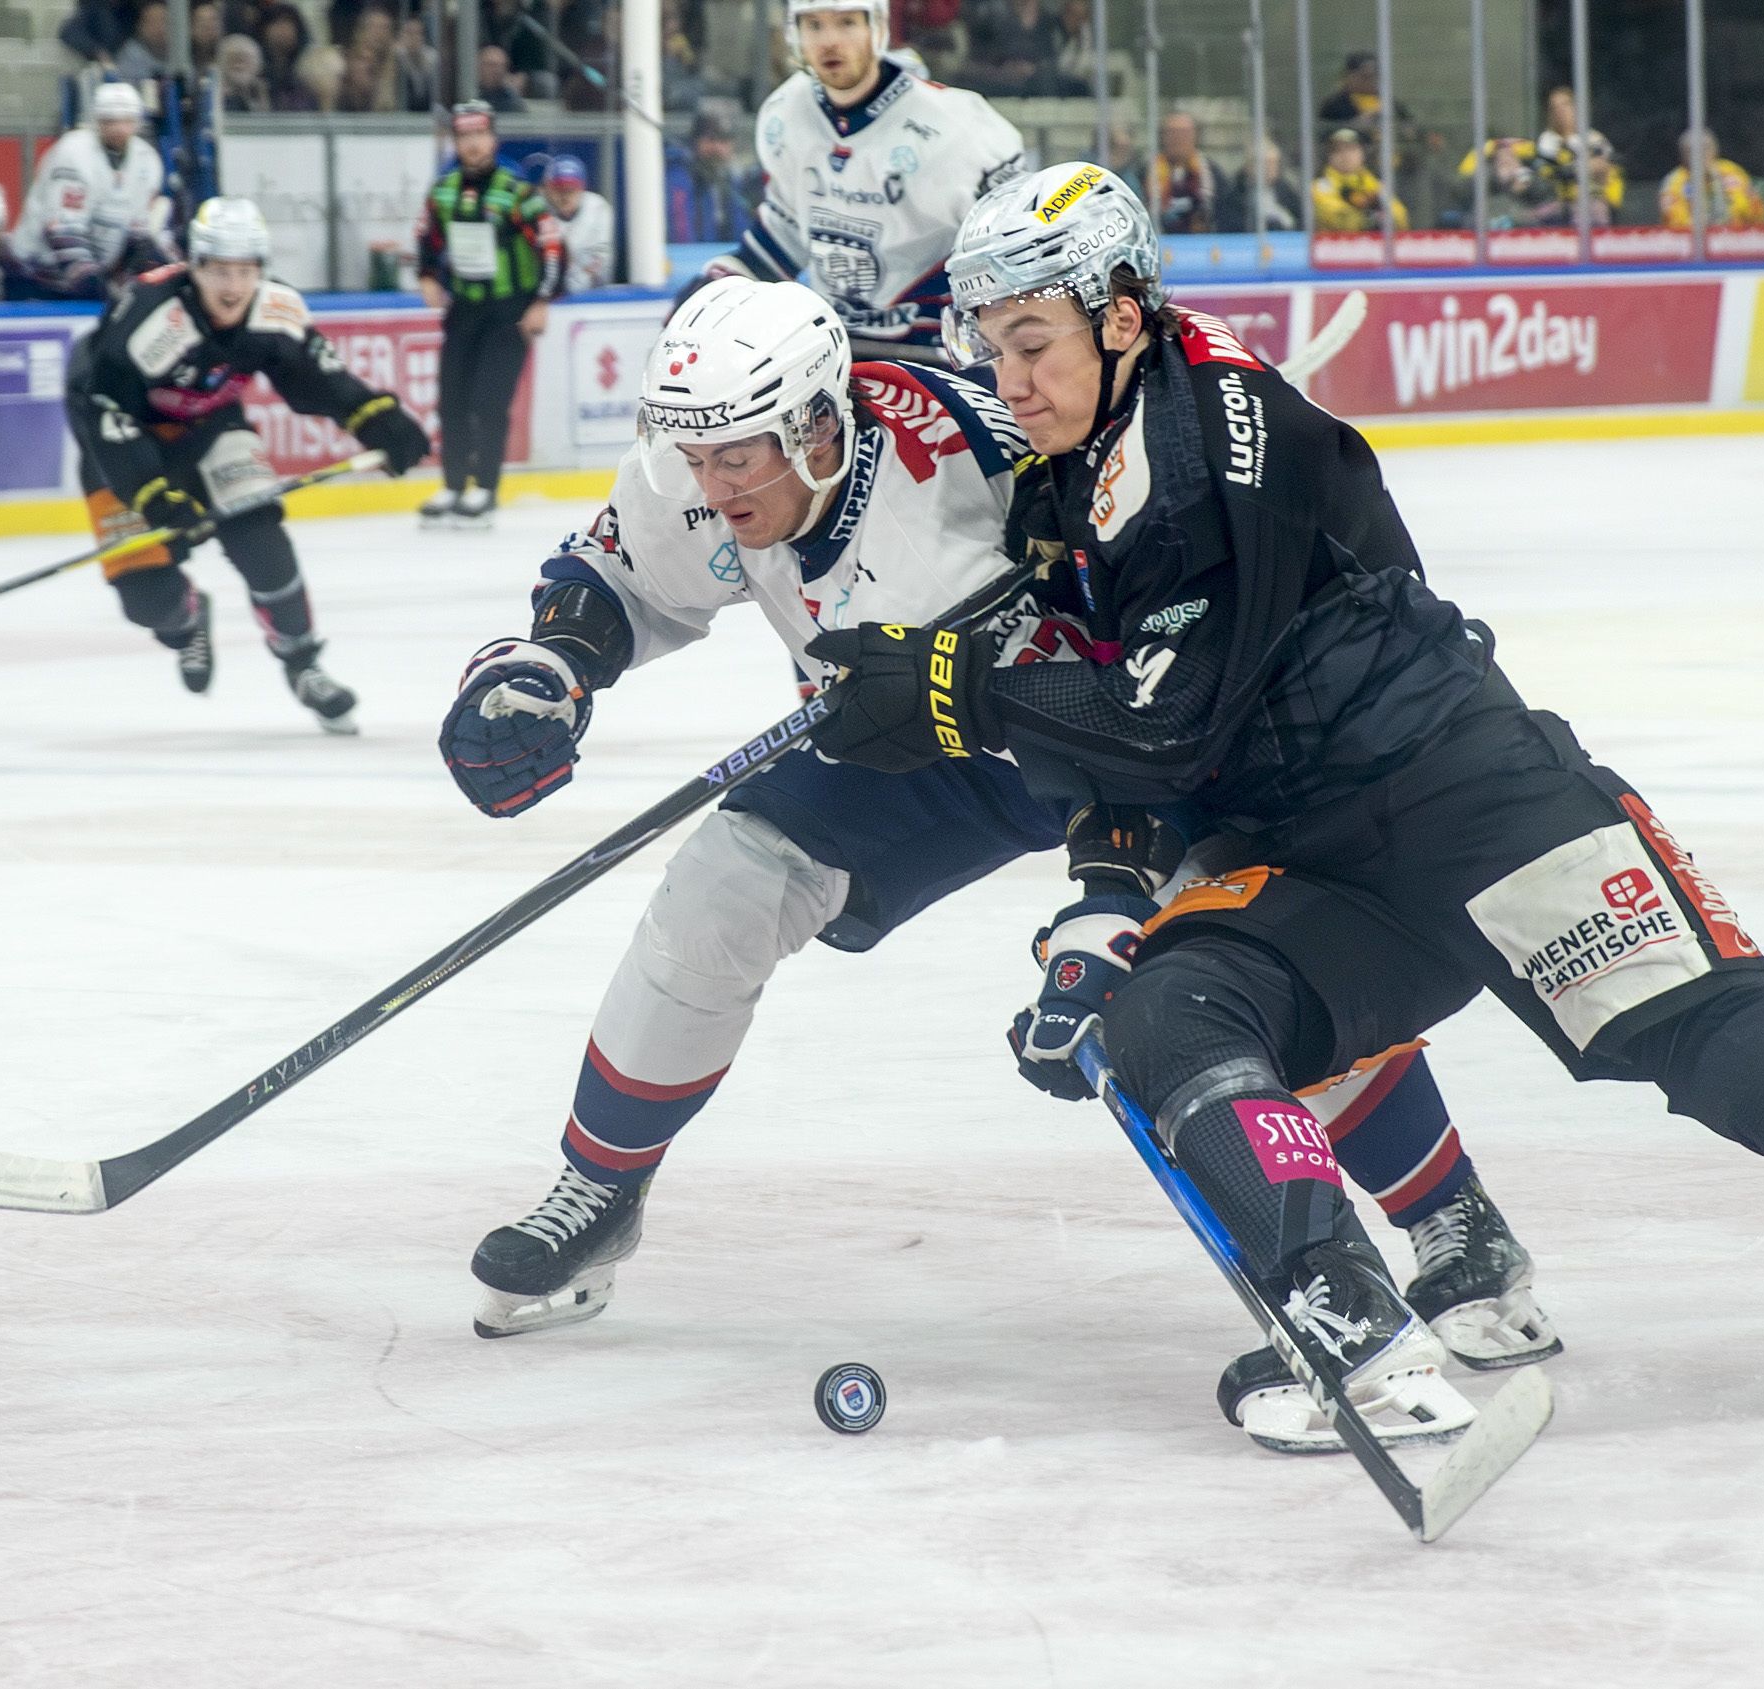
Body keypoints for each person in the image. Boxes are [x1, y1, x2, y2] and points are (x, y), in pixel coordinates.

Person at [801, 160, 1764, 1441]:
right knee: (1171, 1013)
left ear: (1120, 315)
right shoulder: (1081, 468)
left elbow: (1164, 722)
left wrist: (952, 693)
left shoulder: (1209, 449)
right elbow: (1132, 744)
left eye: (1030, 341)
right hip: (1323, 866)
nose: (1009, 376)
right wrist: (1101, 909)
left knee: (1726, 1043)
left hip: (1472, 796)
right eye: (991, 346)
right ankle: (1358, 1336)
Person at [443, 277, 1557, 1426]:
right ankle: (597, 1191)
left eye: (738, 460)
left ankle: (1452, 1218)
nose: (713, 487)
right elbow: (618, 578)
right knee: (720, 891)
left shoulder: (956, 503)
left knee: (1232, 951)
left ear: (817, 428)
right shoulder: (709, 461)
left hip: (1086, 718)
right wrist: (547, 669)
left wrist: (1105, 903)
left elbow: (1119, 721)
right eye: (697, 458)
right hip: (903, 726)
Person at [64, 198, 432, 731]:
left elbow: (318, 377)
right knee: (148, 599)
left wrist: (376, 419)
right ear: (194, 266)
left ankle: (303, 663)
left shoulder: (275, 309)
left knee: (260, 538)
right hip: (124, 444)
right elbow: (101, 411)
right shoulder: (150, 316)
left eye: (245, 271)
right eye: (219, 271)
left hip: (211, 428)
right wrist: (152, 494)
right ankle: (189, 619)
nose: (233, 287)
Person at [707, 0, 1024, 363]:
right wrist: (721, 285)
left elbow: (1010, 247)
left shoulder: (956, 124)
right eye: (814, 26)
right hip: (834, 350)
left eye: (846, 23)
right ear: (796, 34)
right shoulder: (786, 113)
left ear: (878, 28)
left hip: (937, 354)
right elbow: (786, 235)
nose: (829, 41)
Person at [415, 100, 561, 528]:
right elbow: (427, 237)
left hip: (509, 312)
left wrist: (541, 300)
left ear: (493, 139)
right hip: (463, 309)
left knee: (489, 401)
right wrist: (427, 275)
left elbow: (551, 246)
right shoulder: (443, 191)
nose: (473, 144)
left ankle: (485, 488)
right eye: (465, 136)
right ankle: (453, 484)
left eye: (480, 135)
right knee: (451, 399)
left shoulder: (516, 192)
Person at [11, 80, 168, 299]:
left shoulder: (147, 160)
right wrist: (88, 277)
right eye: (110, 121)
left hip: (92, 275)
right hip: (36, 275)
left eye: (126, 120)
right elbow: (62, 229)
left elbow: (137, 232)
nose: (119, 129)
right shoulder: (73, 152)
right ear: (97, 120)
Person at [1533, 85, 1621, 226]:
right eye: (1554, 107)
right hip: (1558, 203)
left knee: (1596, 210)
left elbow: (1603, 168)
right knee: (1538, 214)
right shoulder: (1545, 142)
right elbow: (1545, 174)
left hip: (1594, 200)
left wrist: (1577, 169)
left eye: (1565, 105)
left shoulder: (1593, 138)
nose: (1560, 112)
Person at [663, 109, 752, 244]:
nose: (717, 148)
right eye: (711, 140)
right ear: (695, 141)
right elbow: (681, 232)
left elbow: (742, 228)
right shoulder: (678, 175)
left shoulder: (732, 180)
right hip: (690, 255)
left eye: (724, 141)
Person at [1658, 127, 1764, 230]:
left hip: (1735, 238)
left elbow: (1754, 212)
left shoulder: (1730, 172)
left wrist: (1725, 221)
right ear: (1683, 155)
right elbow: (1674, 221)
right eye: (1692, 150)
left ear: (1715, 150)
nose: (1700, 154)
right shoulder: (1675, 181)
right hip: (1692, 240)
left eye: (1705, 148)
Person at [541, 154, 615, 293]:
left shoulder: (597, 208)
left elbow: (602, 258)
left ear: (582, 188)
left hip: (593, 293)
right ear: (548, 189)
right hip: (548, 294)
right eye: (559, 189)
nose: (565, 196)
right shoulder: (538, 210)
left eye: (571, 189)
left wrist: (580, 281)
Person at [1311, 126, 1406, 233]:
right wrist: (1372, 219)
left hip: (1374, 242)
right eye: (1337, 150)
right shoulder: (1320, 186)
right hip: (1336, 243)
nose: (1345, 156)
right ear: (1328, 156)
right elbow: (1335, 218)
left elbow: (1400, 216)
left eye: (1352, 149)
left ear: (1363, 153)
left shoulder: (1375, 185)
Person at [1145, 110, 1220, 235]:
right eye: (1172, 133)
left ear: (1196, 137)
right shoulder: (1145, 172)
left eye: (1184, 133)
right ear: (1162, 137)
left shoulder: (1212, 173)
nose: (1178, 139)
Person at [1223, 134, 1301, 233]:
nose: (1272, 169)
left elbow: (1302, 218)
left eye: (1275, 163)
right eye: (1267, 164)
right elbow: (1235, 225)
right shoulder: (1236, 193)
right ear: (1250, 166)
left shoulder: (1284, 188)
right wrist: (1274, 224)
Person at [1316, 50, 1408, 134]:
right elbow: (1325, 134)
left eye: (1375, 76)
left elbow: (1410, 128)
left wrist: (1401, 129)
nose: (1371, 81)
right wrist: (1355, 125)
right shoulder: (1334, 104)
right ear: (1349, 76)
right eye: (1365, 76)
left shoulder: (1388, 102)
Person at [115, 0, 175, 80]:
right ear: (140, 27)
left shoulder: (182, 53)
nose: (159, 28)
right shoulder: (131, 55)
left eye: (163, 21)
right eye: (152, 22)